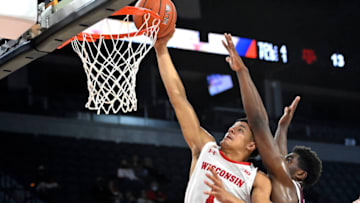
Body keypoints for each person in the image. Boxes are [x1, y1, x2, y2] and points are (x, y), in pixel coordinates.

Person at [154, 29, 271, 203]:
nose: (231, 130)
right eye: (232, 127)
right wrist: (161, 49)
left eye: (240, 130)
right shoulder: (205, 147)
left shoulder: (257, 179)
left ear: (252, 144)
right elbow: (178, 98)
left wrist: (229, 199)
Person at [222, 33, 322, 203]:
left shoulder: (286, 187)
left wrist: (243, 72)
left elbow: (259, 123)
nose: (282, 160)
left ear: (300, 174)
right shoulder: (289, 191)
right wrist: (282, 128)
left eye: (289, 160)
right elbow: (279, 154)